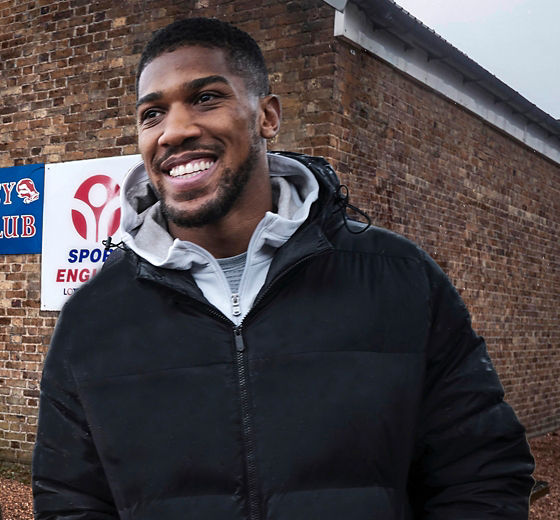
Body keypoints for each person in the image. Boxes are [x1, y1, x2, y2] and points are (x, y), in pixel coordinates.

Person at [32, 17, 534, 519]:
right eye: (152, 114)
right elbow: (69, 503)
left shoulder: (401, 279)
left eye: (206, 97)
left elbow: (481, 473)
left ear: (267, 116)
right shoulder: (92, 320)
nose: (176, 130)